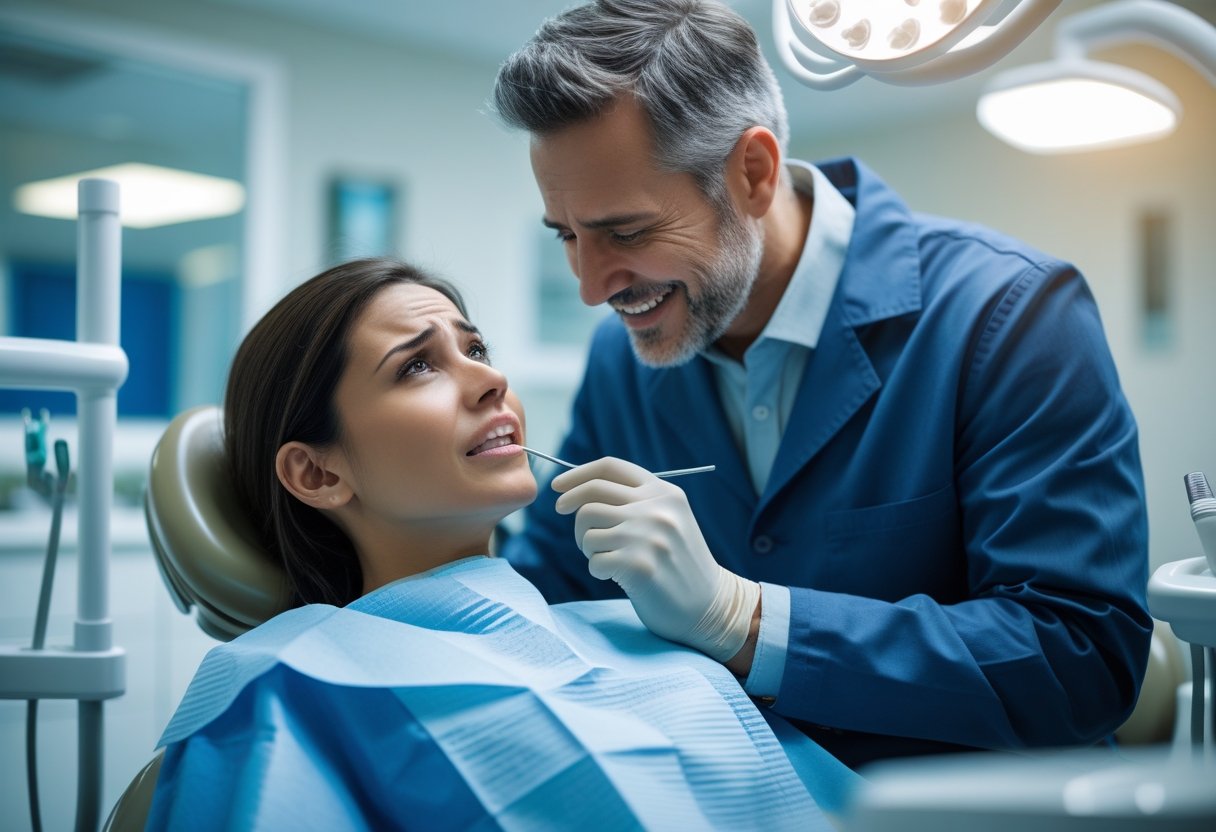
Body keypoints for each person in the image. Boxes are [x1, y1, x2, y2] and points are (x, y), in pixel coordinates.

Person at [491, 0, 1152, 768]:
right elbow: (546, 586)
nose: (592, 288)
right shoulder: (621, 360)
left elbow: (1082, 659)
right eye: (567, 237)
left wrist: (744, 618)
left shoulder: (1010, 316)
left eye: (627, 232)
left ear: (753, 174)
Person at [146, 257, 859, 831]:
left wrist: (727, 613)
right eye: (417, 366)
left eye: (476, 348)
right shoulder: (281, 683)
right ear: (318, 471)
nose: (491, 380)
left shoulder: (636, 625)